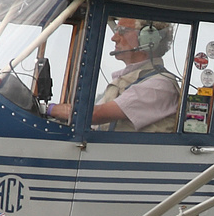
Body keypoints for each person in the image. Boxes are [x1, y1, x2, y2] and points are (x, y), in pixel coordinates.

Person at [47, 18, 180, 133]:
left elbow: (93, 115)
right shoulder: (129, 80)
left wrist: (47, 109)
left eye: (122, 31)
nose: (114, 37)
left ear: (148, 38)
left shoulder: (159, 85)